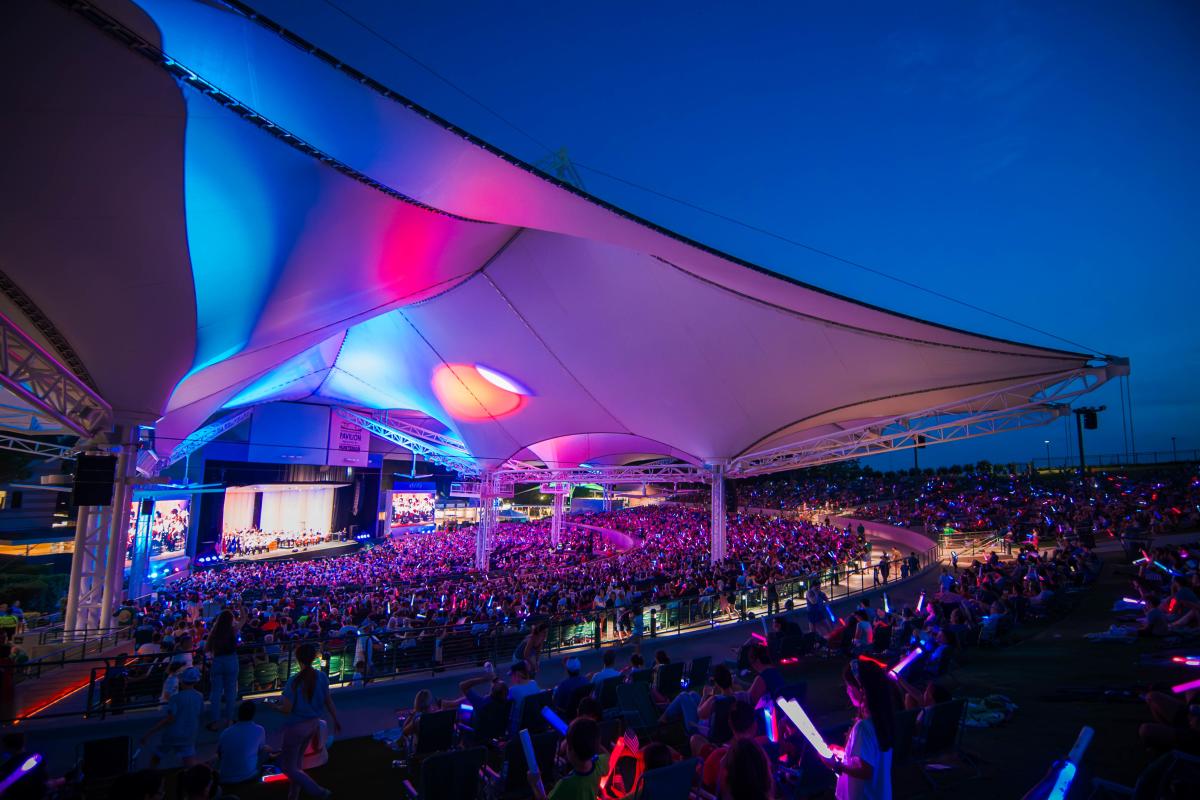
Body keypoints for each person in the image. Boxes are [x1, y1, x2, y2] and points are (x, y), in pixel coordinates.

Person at [271, 642, 340, 800]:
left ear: (297, 659)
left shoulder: (294, 682)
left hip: (296, 727)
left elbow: (286, 710)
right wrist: (336, 719)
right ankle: (293, 795)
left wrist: (272, 707)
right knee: (297, 763)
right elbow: (328, 701)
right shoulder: (321, 677)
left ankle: (318, 791)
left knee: (287, 766)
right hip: (313, 724)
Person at [823, 658, 895, 800]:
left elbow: (866, 771)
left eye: (849, 686)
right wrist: (844, 753)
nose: (847, 691)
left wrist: (836, 765)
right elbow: (870, 758)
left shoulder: (863, 727)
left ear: (862, 690)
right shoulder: (883, 718)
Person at [528, 716, 607, 800]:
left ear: (569, 749)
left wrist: (534, 785)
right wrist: (592, 742)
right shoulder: (600, 764)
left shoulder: (565, 784)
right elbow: (607, 755)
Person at [141, 666, 204, 767]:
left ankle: (149, 777)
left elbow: (170, 719)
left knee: (156, 757)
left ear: (182, 680)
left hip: (173, 734)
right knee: (190, 764)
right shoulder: (200, 696)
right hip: (189, 735)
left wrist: (149, 733)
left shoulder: (175, 698)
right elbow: (199, 712)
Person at [218, 700, 270, 786]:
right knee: (265, 748)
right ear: (253, 714)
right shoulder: (259, 730)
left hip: (225, 778)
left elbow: (219, 754)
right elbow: (261, 750)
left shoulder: (226, 732)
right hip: (249, 776)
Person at [205, 609, 240, 731]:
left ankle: (215, 721)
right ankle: (229, 720)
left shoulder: (214, 632)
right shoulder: (233, 631)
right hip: (231, 661)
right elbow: (244, 619)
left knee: (216, 693)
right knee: (230, 692)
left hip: (217, 662)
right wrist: (241, 607)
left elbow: (207, 649)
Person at [0, 732, 48, 800]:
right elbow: (43, 781)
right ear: (23, 743)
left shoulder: (7, 767)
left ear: (7, 747)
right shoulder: (37, 758)